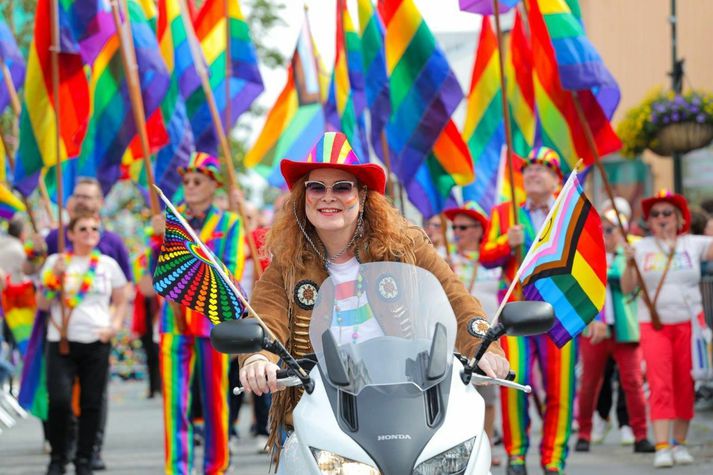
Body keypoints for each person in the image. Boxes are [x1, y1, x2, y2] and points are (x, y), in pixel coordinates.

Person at [237, 132, 510, 459]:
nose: (328, 197)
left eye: (342, 187)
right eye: (316, 187)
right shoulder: (287, 259)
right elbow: (264, 318)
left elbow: (456, 298)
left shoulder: (405, 245)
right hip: (322, 412)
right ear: (302, 196)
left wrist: (484, 348)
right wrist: (256, 358)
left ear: (363, 196)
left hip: (409, 403)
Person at [480, 146, 575, 475]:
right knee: (512, 383)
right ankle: (516, 455)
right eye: (529, 168)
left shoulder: (569, 214)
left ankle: (553, 460)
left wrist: (596, 317)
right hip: (517, 314)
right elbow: (486, 255)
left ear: (556, 177)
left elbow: (586, 264)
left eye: (543, 167)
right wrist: (507, 240)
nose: (534, 172)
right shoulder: (506, 213)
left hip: (558, 312)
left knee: (559, 389)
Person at [155, 152, 244, 474]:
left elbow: (230, 273)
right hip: (173, 323)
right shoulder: (168, 222)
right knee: (173, 403)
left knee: (214, 399)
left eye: (197, 181)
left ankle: (216, 466)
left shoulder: (230, 223)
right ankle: (175, 469)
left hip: (210, 324)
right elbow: (155, 275)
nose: (190, 187)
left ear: (214, 185)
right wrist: (157, 239)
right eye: (186, 181)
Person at [621, 190, 713, 468]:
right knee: (661, 384)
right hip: (655, 325)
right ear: (648, 220)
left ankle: (679, 443)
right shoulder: (639, 247)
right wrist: (627, 263)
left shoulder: (694, 244)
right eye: (655, 214)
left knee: (687, 383)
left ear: (679, 218)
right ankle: (662, 446)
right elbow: (627, 288)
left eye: (667, 213)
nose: (661, 218)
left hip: (690, 326)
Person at [37, 211, 129, 475]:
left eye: (94, 229)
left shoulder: (107, 265)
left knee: (91, 403)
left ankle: (84, 459)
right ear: (71, 234)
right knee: (60, 401)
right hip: (61, 342)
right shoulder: (56, 261)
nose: (90, 233)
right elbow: (42, 304)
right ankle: (58, 458)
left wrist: (113, 326)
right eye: (84, 229)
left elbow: (122, 299)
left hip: (96, 342)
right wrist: (54, 278)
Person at [573, 207, 654, 454]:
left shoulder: (628, 253)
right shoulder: (586, 255)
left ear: (621, 230)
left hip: (624, 329)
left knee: (632, 382)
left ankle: (640, 434)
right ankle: (584, 432)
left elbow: (629, 288)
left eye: (610, 229)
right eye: (601, 229)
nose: (606, 234)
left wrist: (629, 262)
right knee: (589, 383)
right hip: (594, 329)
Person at [444, 201, 504, 465]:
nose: (457, 231)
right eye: (454, 226)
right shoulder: (444, 258)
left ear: (480, 230)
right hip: (453, 339)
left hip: (488, 339)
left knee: (487, 395)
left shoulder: (495, 262)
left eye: (464, 226)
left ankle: (487, 447)